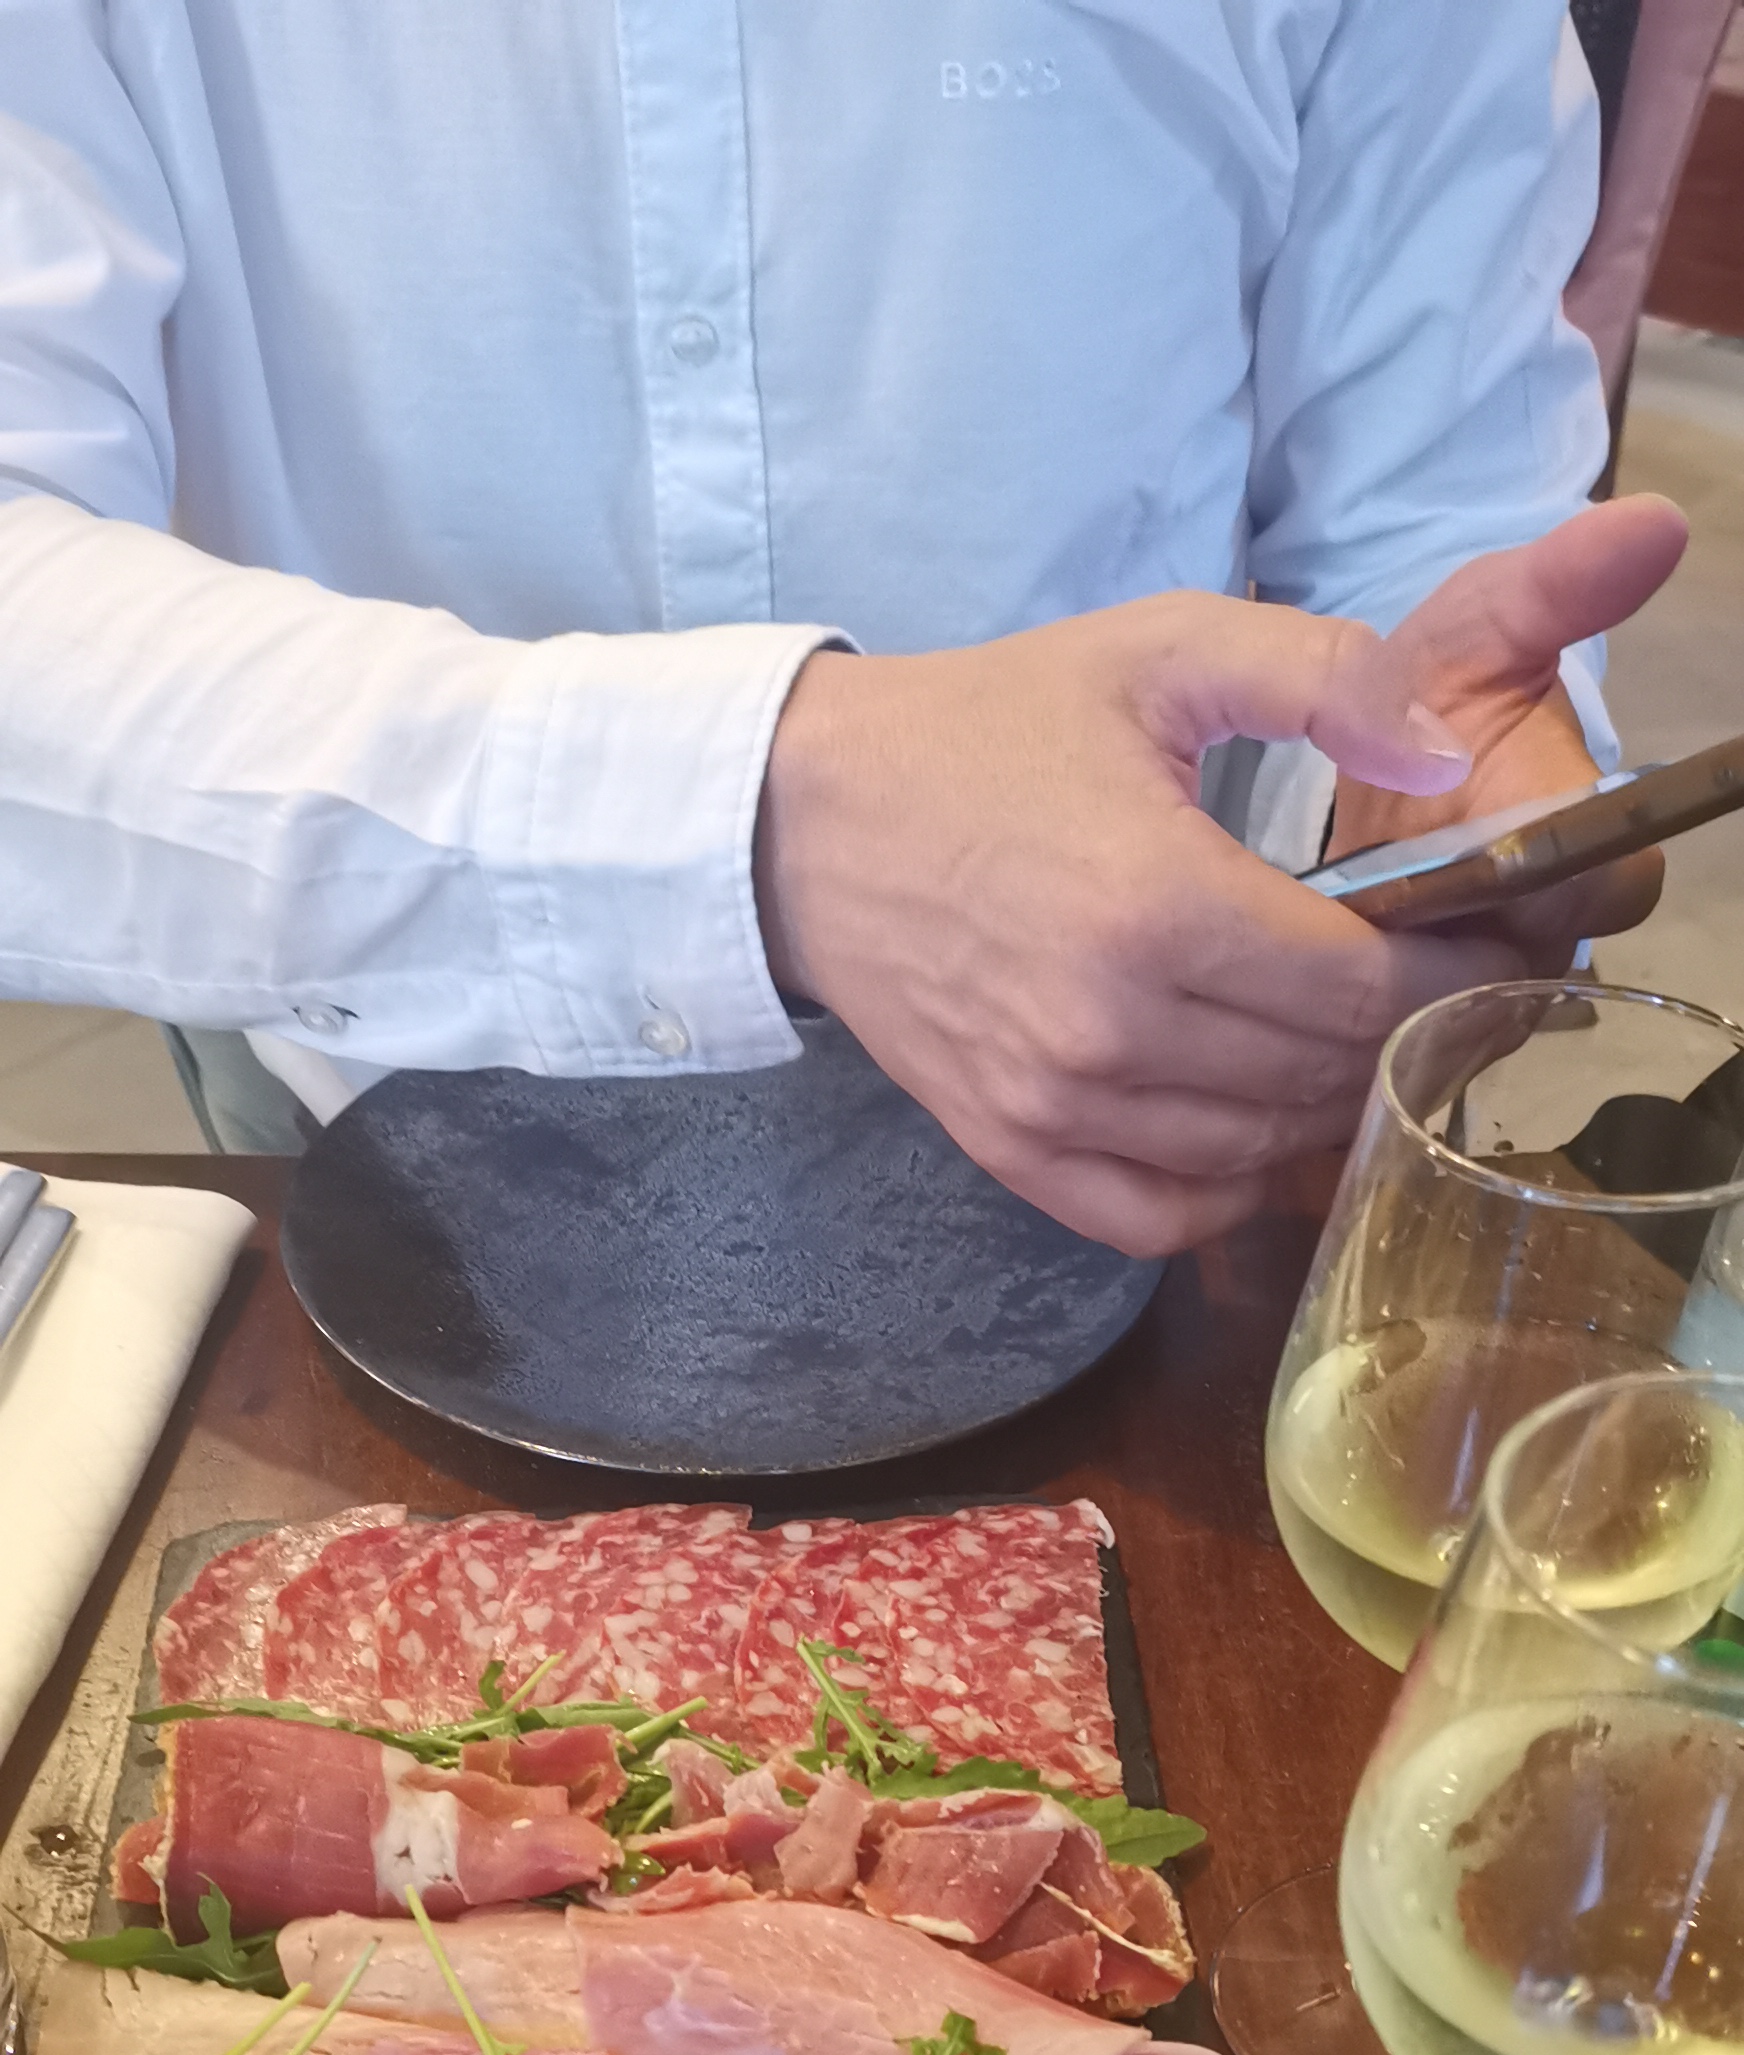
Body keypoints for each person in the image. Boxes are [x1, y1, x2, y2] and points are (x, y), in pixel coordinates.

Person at [0, 4, 1686, 1248]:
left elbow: (1429, 491)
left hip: (1148, 1134)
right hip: (353, 1090)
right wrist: (759, 818)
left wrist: (1429, 776)